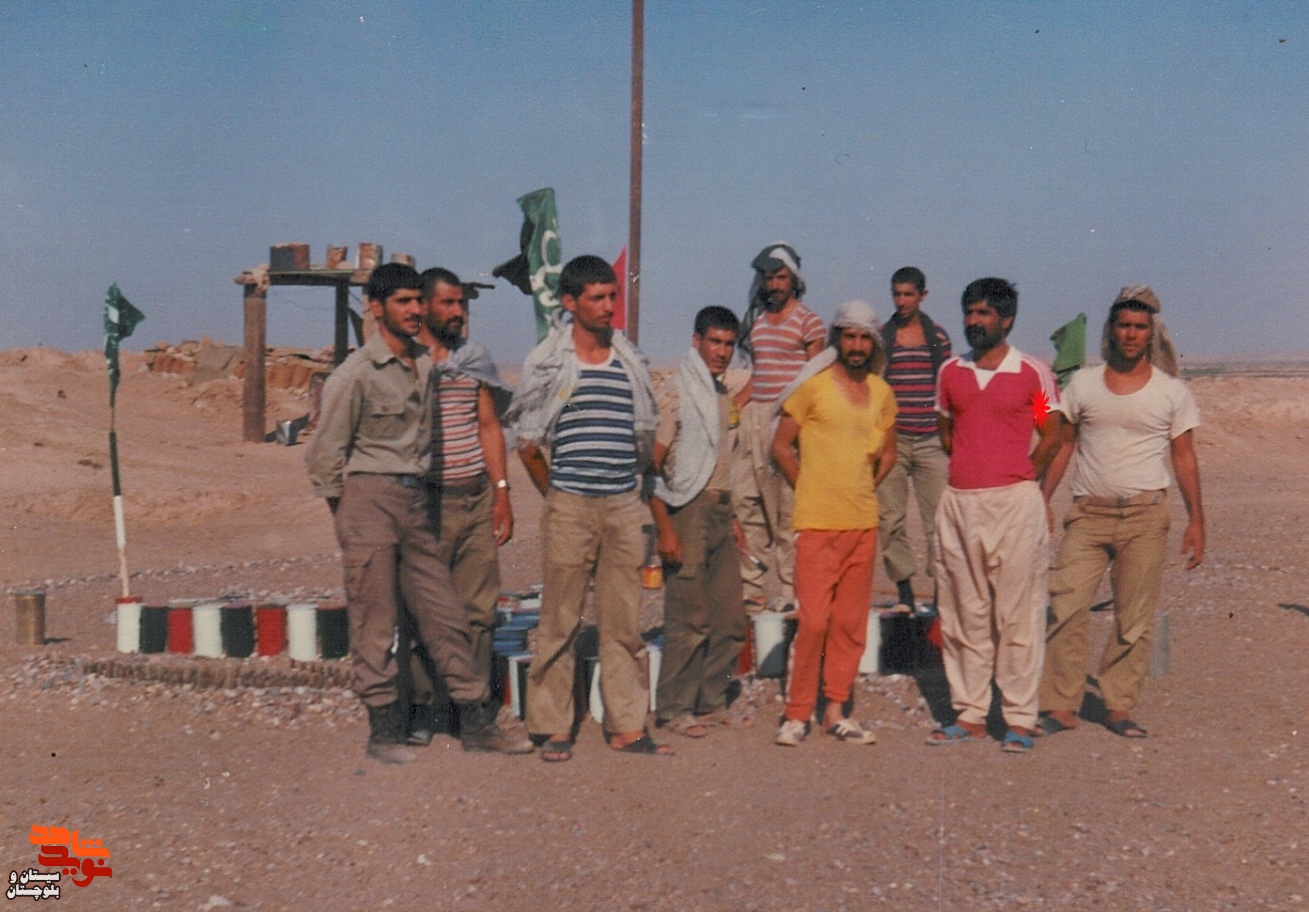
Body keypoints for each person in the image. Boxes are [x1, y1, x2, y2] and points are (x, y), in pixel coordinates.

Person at [304, 263, 532, 763]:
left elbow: (476, 421)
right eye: (402, 302)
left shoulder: (426, 365)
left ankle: (475, 721)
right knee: (376, 618)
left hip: (415, 499)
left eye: (416, 301)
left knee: (445, 612)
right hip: (370, 497)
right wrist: (349, 515)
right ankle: (386, 728)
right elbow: (323, 457)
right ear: (375, 308)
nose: (413, 310)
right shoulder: (356, 374)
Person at [506, 255, 669, 762]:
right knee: (560, 618)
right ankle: (553, 726)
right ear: (570, 302)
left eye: (612, 296)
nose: (607, 306)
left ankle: (626, 725)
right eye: (596, 298)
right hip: (570, 506)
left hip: (622, 506)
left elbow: (644, 437)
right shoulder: (551, 364)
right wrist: (558, 497)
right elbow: (527, 444)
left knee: (624, 620)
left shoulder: (629, 362)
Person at [1038, 286, 1205, 739]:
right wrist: (1042, 500)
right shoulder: (1083, 384)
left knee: (1134, 618)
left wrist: (1197, 521)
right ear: (1111, 330)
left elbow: (1184, 456)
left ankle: (1118, 706)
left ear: (1152, 333)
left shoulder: (1172, 392)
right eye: (1124, 325)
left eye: (1140, 327)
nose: (1131, 334)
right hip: (1087, 515)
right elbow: (1063, 443)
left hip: (1145, 516)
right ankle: (1061, 705)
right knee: (1065, 606)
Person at [928, 277, 1062, 754]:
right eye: (969, 311)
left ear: (1006, 319)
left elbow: (1050, 430)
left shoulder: (1032, 373)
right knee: (963, 612)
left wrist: (1024, 473)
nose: (973, 321)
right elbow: (947, 430)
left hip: (1014, 505)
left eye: (984, 313)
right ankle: (970, 714)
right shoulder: (950, 373)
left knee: (1018, 613)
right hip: (960, 503)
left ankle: (1020, 718)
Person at [770, 300, 897, 747]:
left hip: (861, 524)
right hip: (816, 523)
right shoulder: (814, 388)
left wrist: (864, 485)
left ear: (873, 343)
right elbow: (781, 446)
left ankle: (836, 711)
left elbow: (889, 453)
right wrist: (807, 486)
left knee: (848, 623)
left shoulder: (882, 393)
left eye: (865, 338)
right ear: (837, 339)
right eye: (850, 336)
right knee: (813, 622)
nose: (857, 346)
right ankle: (796, 714)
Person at [399, 267, 516, 744]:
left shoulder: (474, 360)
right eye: (447, 303)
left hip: (474, 498)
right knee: (422, 607)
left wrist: (502, 492)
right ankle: (423, 709)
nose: (457, 312)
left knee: (478, 611)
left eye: (461, 304)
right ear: (425, 306)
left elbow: (488, 426)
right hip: (425, 503)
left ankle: (473, 712)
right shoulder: (407, 363)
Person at [649, 306, 747, 738]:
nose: (721, 352)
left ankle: (711, 701)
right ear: (697, 341)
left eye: (729, 344)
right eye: (714, 342)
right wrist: (665, 528)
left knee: (729, 617)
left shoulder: (720, 395)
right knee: (688, 617)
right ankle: (674, 708)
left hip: (721, 510)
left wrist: (734, 519)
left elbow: (720, 461)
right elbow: (651, 466)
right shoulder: (677, 393)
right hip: (686, 511)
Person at [733, 243, 826, 612]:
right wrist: (733, 406)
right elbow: (759, 374)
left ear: (793, 279)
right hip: (755, 420)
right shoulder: (756, 321)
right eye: (768, 278)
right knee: (747, 505)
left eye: (780, 277)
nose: (774, 284)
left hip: (790, 421)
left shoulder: (809, 322)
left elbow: (815, 378)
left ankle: (792, 596)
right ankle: (752, 592)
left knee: (790, 511)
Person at [877, 267, 952, 613]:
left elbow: (947, 386)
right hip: (893, 441)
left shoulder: (937, 338)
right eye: (897, 294)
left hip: (930, 441)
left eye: (908, 294)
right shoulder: (883, 338)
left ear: (923, 295)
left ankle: (940, 594)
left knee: (939, 521)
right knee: (891, 519)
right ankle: (905, 592)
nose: (901, 301)